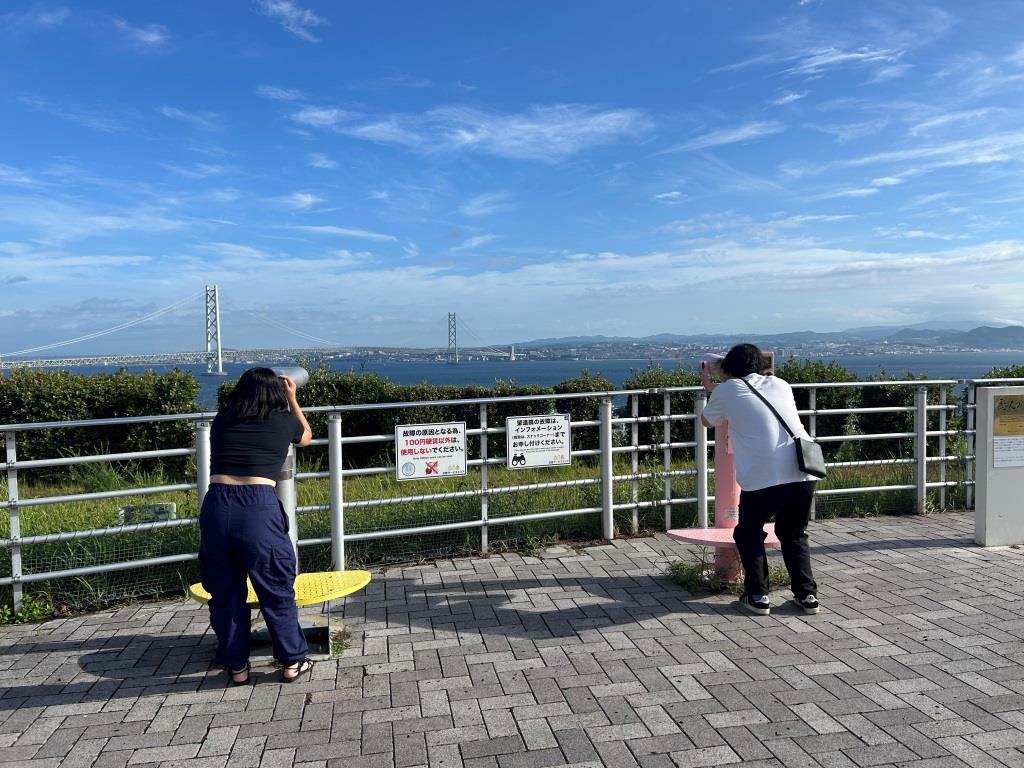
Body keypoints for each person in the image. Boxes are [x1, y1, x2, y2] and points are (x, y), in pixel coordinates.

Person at [199, 367, 314, 684]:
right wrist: (292, 399)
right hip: (258, 506)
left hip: (217, 503)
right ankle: (292, 661)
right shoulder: (282, 419)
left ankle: (236, 667)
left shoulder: (222, 419)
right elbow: (306, 436)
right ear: (278, 392)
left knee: (224, 591)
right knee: (275, 589)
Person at [700, 343, 820, 616]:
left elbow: (708, 421)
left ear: (729, 368)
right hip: (803, 471)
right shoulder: (781, 384)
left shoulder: (727, 389)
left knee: (748, 532)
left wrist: (711, 386)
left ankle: (757, 595)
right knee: (793, 533)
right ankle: (807, 596)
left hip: (763, 477)